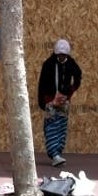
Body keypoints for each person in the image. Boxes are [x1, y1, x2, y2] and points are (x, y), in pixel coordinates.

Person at [37, 37, 82, 167]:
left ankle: (58, 152)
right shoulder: (48, 64)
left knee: (61, 127)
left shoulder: (71, 63)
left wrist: (70, 91)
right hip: (50, 100)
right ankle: (54, 154)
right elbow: (42, 83)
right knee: (51, 127)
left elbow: (78, 76)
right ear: (56, 54)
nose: (62, 58)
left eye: (64, 55)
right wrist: (44, 100)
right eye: (60, 55)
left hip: (64, 100)